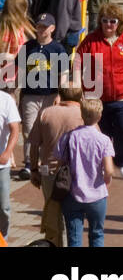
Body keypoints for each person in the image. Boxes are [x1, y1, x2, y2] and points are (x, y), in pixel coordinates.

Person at [73, 5, 123, 179]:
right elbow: (77, 62)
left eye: (112, 21)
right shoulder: (91, 40)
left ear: (119, 22)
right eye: (105, 21)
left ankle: (121, 162)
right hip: (97, 99)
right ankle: (102, 164)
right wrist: (77, 84)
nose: (108, 25)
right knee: (102, 134)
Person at [26, 84, 83, 245]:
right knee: (73, 218)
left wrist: (34, 170)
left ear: (60, 95)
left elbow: (34, 144)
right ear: (80, 97)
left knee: (53, 218)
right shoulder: (83, 115)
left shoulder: (46, 113)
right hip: (75, 174)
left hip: (49, 172)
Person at [56, 97, 116, 247]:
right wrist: (106, 181)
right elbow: (109, 169)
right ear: (100, 116)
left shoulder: (69, 136)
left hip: (72, 194)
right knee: (97, 234)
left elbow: (60, 161)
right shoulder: (104, 140)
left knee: (74, 236)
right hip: (97, 195)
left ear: (81, 114)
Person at [17, 14, 69, 177]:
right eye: (39, 26)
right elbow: (18, 68)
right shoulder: (28, 46)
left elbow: (64, 72)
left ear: (52, 29)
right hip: (30, 95)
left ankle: (47, 161)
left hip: (50, 94)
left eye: (44, 27)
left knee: (48, 129)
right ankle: (29, 163)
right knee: (29, 129)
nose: (41, 29)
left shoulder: (57, 49)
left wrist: (60, 93)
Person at [0, 82, 18, 238]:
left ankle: (2, 239)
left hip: (1, 165)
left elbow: (15, 129)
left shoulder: (6, 100)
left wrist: (7, 152)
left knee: (3, 207)